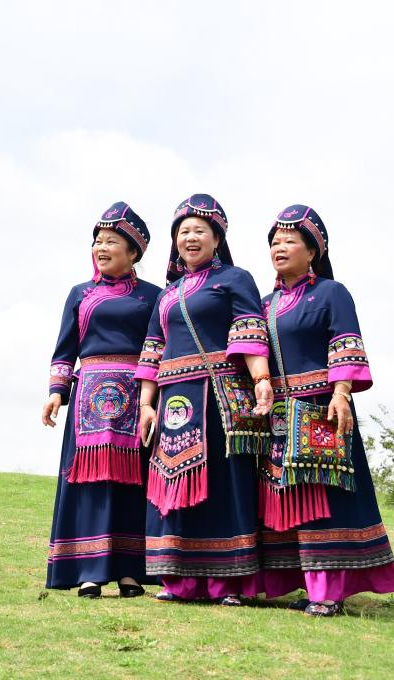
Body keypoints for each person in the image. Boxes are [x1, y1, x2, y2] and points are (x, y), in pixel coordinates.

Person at [259, 205, 394, 617]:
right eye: (274, 242)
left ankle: (330, 591)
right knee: (289, 499)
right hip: (280, 416)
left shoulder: (332, 294)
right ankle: (306, 583)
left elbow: (345, 343)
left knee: (325, 500)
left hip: (322, 408)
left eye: (289, 241)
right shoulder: (264, 303)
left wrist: (341, 393)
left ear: (313, 251)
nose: (279, 248)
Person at [135, 194, 274, 606]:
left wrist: (261, 379)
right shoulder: (167, 295)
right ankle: (180, 581)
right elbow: (152, 351)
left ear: (217, 238)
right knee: (172, 483)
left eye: (199, 231)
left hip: (219, 397)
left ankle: (228, 582)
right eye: (182, 232)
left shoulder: (235, 279)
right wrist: (146, 404)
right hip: (174, 398)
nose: (190, 238)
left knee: (222, 485)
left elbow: (250, 332)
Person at [41, 202, 162, 598]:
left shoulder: (153, 297)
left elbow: (159, 346)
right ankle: (89, 571)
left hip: (137, 396)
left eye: (111, 241)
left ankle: (130, 571)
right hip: (87, 398)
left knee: (133, 483)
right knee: (89, 482)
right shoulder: (80, 294)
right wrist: (56, 392)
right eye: (97, 241)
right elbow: (65, 349)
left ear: (134, 252)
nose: (101, 247)